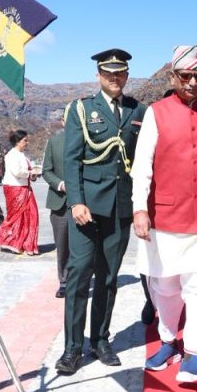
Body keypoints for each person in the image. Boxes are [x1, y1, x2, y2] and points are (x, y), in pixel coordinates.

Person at [133, 45, 197, 385]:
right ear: (173, 77)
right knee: (165, 286)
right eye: (186, 76)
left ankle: (193, 356)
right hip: (166, 217)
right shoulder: (156, 112)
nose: (193, 83)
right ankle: (167, 342)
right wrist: (140, 208)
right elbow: (142, 166)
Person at [56, 49, 146, 374]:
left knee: (108, 278)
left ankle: (100, 340)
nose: (114, 78)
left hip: (120, 208)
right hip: (87, 208)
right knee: (79, 276)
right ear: (98, 76)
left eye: (120, 73)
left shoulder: (138, 110)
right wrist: (76, 201)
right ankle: (72, 348)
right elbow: (71, 160)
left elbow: (143, 160)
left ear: (127, 75)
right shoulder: (82, 109)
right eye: (108, 73)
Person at [41, 107, 72, 297]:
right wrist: (61, 185)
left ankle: (80, 279)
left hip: (85, 203)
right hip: (60, 202)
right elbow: (46, 170)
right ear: (63, 121)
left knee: (84, 246)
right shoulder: (54, 142)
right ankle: (65, 281)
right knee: (62, 245)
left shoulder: (91, 141)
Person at [0, 129, 40, 255]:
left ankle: (24, 243)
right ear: (17, 141)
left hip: (24, 188)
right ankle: (11, 242)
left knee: (30, 215)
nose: (27, 143)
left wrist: (32, 175)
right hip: (15, 188)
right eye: (25, 141)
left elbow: (25, 172)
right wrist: (30, 173)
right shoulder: (11, 155)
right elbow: (17, 172)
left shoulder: (22, 155)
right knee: (16, 217)